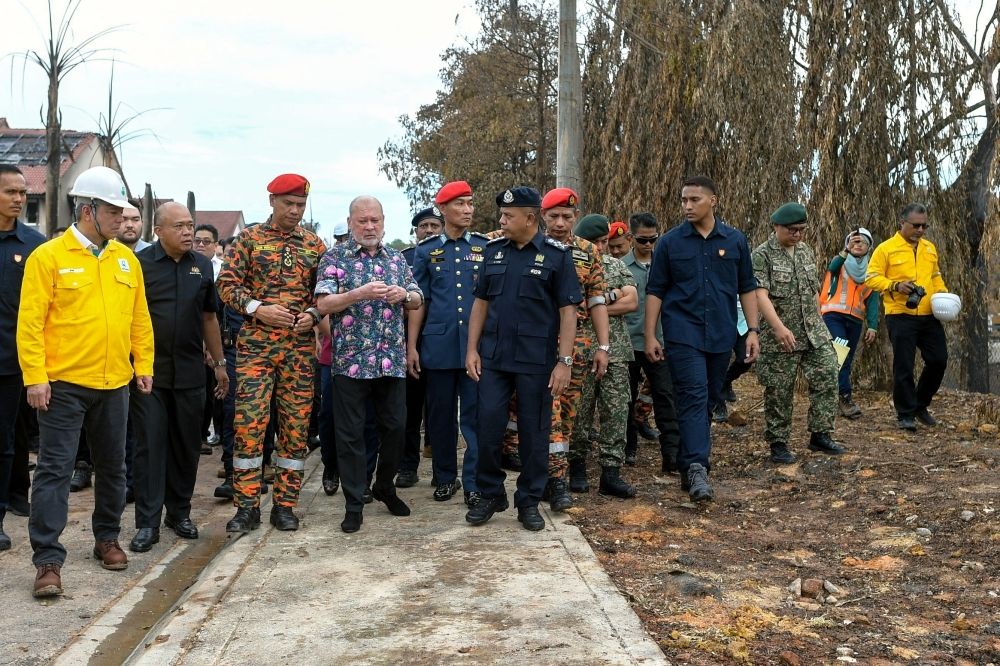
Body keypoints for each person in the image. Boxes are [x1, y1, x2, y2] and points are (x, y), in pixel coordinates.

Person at [17, 165, 154, 598]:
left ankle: (106, 538)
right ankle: (48, 561)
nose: (122, 220)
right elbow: (30, 323)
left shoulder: (125, 258)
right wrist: (35, 377)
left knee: (114, 466)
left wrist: (143, 365)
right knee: (55, 470)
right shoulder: (49, 257)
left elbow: (139, 319)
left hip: (114, 383)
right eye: (114, 211)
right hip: (62, 386)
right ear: (89, 210)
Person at [465, 187, 581, 531]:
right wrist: (471, 349)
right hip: (494, 359)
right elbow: (480, 304)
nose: (501, 221)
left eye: (507, 216)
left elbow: (569, 312)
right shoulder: (493, 252)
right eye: (501, 215)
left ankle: (528, 500)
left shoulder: (557, 256)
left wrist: (564, 361)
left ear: (530, 218)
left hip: (536, 361)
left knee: (535, 433)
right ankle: (490, 493)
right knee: (487, 426)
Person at [216, 174, 327, 533]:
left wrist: (313, 315)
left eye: (300, 205)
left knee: (294, 430)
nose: (295, 211)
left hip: (298, 350)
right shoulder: (249, 239)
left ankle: (285, 505)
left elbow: (324, 294)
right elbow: (226, 285)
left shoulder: (314, 244)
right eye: (288, 204)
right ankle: (246, 506)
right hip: (256, 351)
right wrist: (256, 308)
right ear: (272, 202)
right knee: (249, 428)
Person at [644, 176, 759, 502]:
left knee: (708, 398)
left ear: (713, 201)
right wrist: (651, 334)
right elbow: (655, 291)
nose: (687, 206)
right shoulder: (669, 243)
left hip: (721, 334)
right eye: (684, 200)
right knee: (694, 395)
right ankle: (697, 467)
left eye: (694, 200)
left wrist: (753, 330)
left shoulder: (735, 241)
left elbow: (747, 287)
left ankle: (686, 462)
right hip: (683, 334)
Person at [315, 195, 423, 534]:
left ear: (384, 221)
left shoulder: (396, 259)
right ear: (350, 223)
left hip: (390, 359)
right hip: (350, 363)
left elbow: (418, 298)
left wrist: (404, 296)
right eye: (362, 220)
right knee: (350, 435)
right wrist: (356, 294)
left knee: (396, 428)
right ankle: (353, 503)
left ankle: (384, 486)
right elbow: (323, 303)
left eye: (374, 219)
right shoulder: (334, 258)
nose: (369, 226)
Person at [128, 203, 228, 552]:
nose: (188, 233)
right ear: (158, 231)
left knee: (187, 445)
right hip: (148, 375)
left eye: (191, 225)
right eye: (180, 227)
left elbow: (209, 318)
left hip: (189, 372)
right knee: (150, 447)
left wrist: (219, 364)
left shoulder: (201, 267)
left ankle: (179, 512)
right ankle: (147, 522)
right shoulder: (139, 266)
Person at [410, 183, 490, 506]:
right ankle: (444, 478)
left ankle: (472, 482)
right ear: (442, 209)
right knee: (441, 418)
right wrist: (411, 346)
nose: (468, 210)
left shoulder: (484, 247)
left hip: (476, 348)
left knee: (474, 417)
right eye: (460, 204)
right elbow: (420, 301)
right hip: (438, 346)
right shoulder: (426, 250)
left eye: (470, 204)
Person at [753, 203, 846, 465]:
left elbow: (814, 288)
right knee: (779, 389)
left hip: (814, 331)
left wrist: (818, 317)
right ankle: (778, 443)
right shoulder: (763, 255)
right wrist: (778, 327)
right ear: (776, 227)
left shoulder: (806, 251)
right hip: (780, 333)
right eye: (792, 230)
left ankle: (820, 434)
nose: (797, 235)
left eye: (801, 230)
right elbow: (760, 295)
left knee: (828, 374)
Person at [540, 187, 610, 511]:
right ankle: (555, 481)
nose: (560, 222)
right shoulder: (534, 248)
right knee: (549, 413)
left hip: (579, 344)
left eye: (567, 216)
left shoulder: (587, 252)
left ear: (575, 218)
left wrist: (604, 345)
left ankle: (552, 477)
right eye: (553, 216)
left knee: (567, 416)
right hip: (542, 343)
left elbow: (597, 301)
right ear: (543, 217)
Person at [569, 214, 638, 497]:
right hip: (580, 350)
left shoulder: (615, 265)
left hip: (617, 351)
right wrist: (611, 297)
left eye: (604, 242)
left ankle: (611, 473)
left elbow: (632, 301)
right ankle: (576, 468)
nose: (601, 248)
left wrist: (595, 306)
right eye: (595, 242)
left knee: (616, 411)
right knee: (578, 413)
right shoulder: (569, 264)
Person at [865, 203, 948, 431]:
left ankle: (920, 405)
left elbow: (935, 275)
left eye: (924, 226)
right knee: (904, 365)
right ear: (902, 222)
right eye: (916, 226)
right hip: (900, 315)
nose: (921, 230)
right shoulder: (886, 249)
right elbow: (871, 277)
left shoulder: (929, 248)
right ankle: (905, 414)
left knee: (938, 360)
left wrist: (942, 294)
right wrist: (894, 285)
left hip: (929, 314)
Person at [0, 165, 45, 550]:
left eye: (21, 193)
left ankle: (8, 504)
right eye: (9, 192)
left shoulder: (34, 245)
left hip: (12, 360)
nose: (17, 199)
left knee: (8, 439)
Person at [620, 213, 682, 472]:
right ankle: (628, 448)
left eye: (653, 239)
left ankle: (672, 456)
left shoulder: (666, 264)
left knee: (666, 398)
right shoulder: (620, 266)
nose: (648, 245)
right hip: (629, 343)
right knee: (626, 399)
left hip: (661, 343)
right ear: (631, 238)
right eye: (643, 240)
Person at [396, 205, 443, 489]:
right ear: (415, 231)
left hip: (441, 342)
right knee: (410, 409)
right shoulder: (404, 259)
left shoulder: (450, 254)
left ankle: (442, 467)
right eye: (423, 226)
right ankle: (407, 466)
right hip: (409, 341)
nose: (428, 230)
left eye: (434, 226)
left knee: (440, 409)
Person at [820, 227, 880, 418]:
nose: (857, 244)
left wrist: (872, 325)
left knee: (845, 359)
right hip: (833, 314)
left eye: (861, 241)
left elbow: (873, 300)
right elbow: (832, 266)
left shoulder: (872, 271)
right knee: (840, 351)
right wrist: (845, 250)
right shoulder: (841, 262)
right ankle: (844, 398)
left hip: (855, 320)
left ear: (869, 246)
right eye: (853, 241)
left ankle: (835, 397)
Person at [194, 223, 222, 455]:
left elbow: (213, 314)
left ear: (215, 245)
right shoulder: (190, 264)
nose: (201, 245)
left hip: (215, 338)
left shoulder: (222, 269)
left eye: (206, 241)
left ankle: (205, 433)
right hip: (193, 340)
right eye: (197, 241)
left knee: (210, 392)